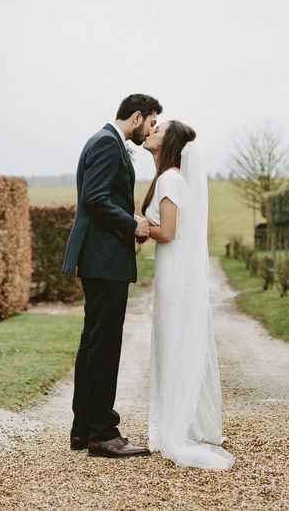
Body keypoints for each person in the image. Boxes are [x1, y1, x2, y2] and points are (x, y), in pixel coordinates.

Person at [62, 93, 161, 458]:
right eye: (151, 122)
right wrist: (132, 224)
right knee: (104, 345)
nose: (150, 129)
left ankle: (83, 427)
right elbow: (95, 198)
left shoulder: (103, 140)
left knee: (93, 342)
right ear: (137, 116)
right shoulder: (107, 143)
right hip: (103, 259)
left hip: (100, 258)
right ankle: (103, 432)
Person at [142, 120, 235, 470]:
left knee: (172, 340)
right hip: (176, 268)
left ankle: (174, 427)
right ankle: (174, 420)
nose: (150, 131)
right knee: (174, 341)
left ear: (169, 142)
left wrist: (139, 227)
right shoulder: (171, 177)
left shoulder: (169, 179)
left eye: (158, 129)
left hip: (174, 271)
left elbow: (167, 231)